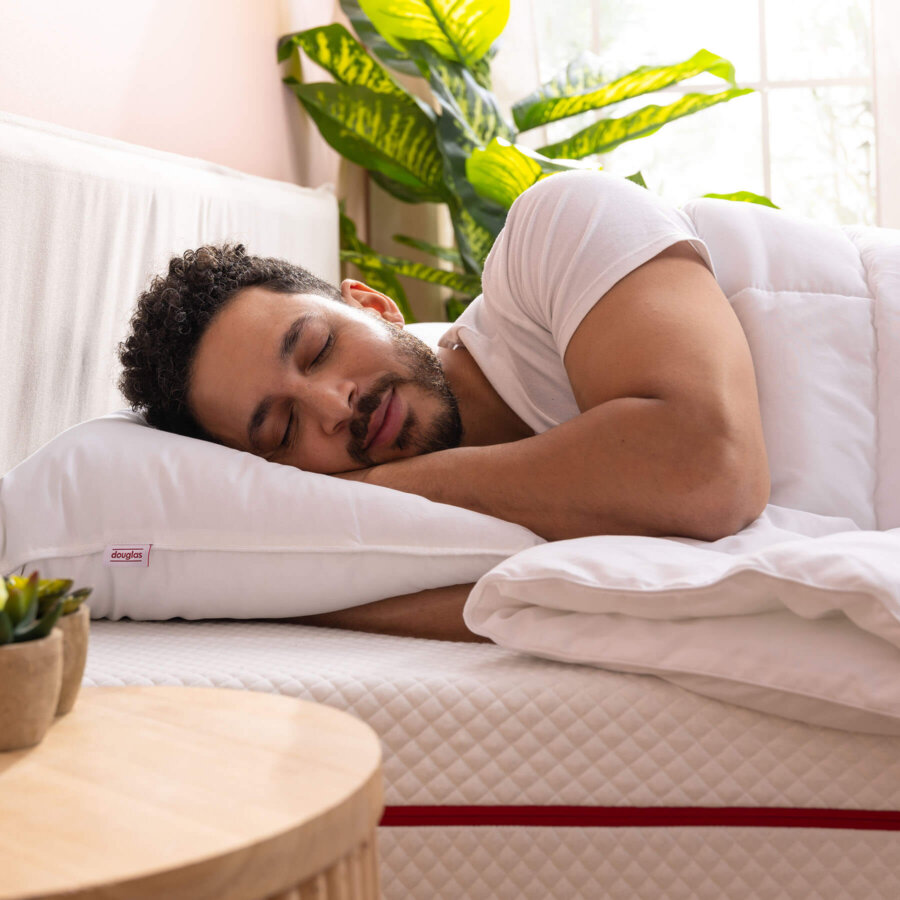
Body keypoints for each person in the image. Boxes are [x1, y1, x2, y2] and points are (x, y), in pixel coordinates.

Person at [117, 170, 770, 642]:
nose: (333, 405)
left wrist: (382, 487)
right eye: (285, 428)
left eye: (318, 349)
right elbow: (527, 603)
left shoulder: (559, 226)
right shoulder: (422, 546)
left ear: (373, 304)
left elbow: (713, 467)